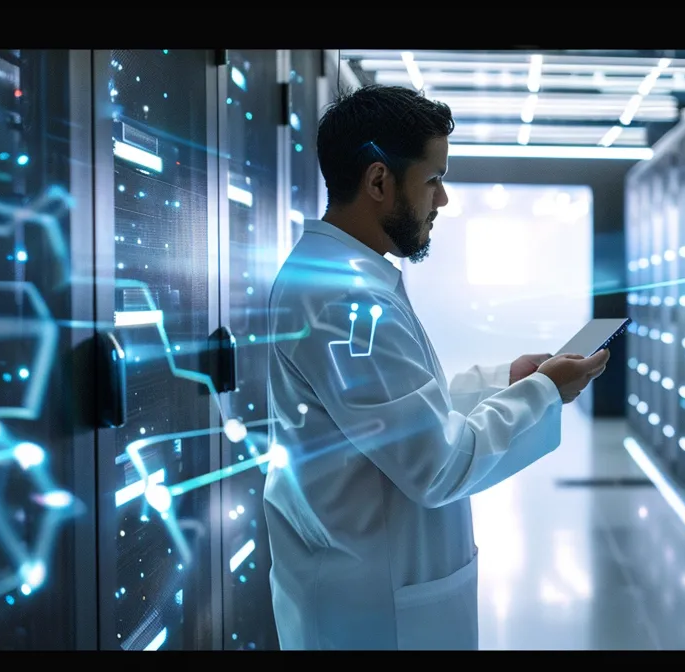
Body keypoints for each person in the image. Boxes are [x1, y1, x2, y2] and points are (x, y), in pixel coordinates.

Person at [260, 84, 611, 650]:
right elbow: (438, 465)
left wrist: (505, 382)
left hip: (373, 588)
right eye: (432, 179)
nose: (442, 200)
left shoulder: (347, 278)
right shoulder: (346, 300)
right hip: (374, 611)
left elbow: (392, 417)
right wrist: (545, 391)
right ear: (379, 182)